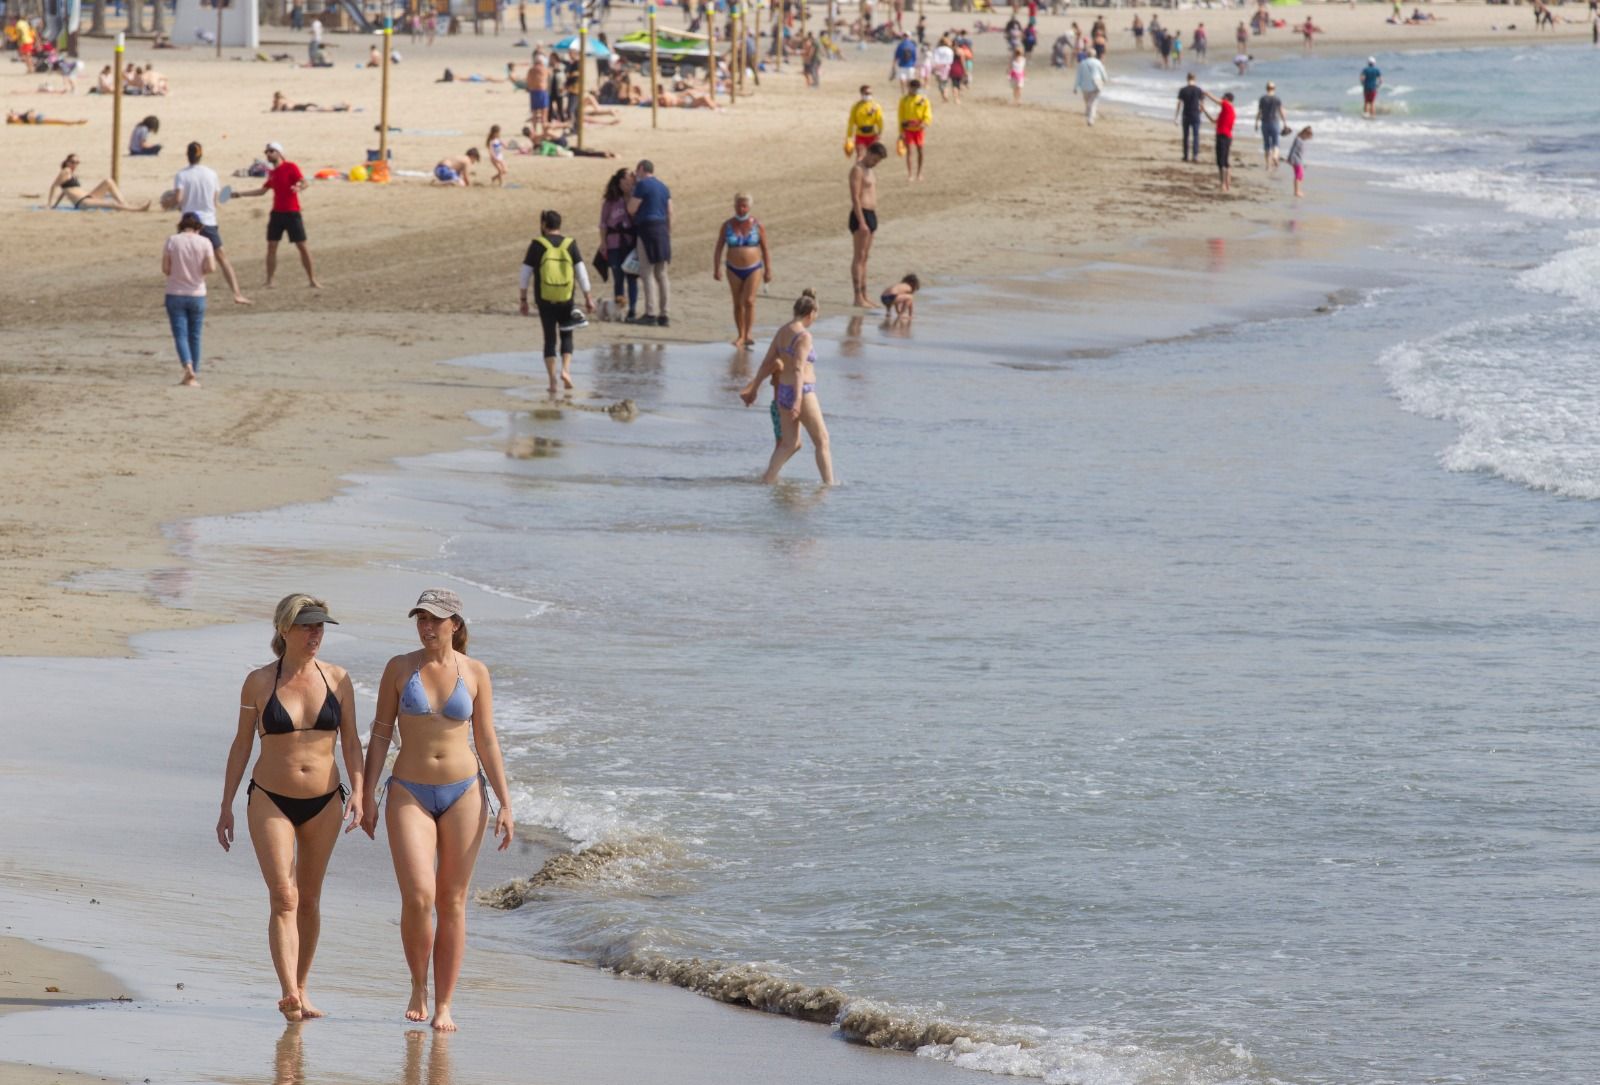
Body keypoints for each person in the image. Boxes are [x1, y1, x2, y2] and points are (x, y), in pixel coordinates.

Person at [359, 589, 515, 1033]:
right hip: (409, 789)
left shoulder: (476, 672)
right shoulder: (399, 667)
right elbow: (382, 735)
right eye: (420, 619)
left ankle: (444, 1002)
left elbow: (486, 740)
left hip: (465, 791)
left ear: (455, 625)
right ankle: (417, 986)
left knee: (452, 901)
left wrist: (505, 802)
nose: (426, 627)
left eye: (435, 620)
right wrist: (367, 793)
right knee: (419, 896)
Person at [218, 595, 364, 1023]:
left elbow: (352, 741)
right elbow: (242, 742)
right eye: (307, 627)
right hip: (270, 797)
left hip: (324, 801)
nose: (315, 635)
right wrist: (226, 804)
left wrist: (359, 791)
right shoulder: (259, 682)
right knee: (284, 895)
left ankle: (302, 986)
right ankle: (288, 993)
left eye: (320, 627)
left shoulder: (338, 678)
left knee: (310, 898)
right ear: (284, 629)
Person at [751, 290, 834, 485]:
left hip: (783, 391)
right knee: (822, 440)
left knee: (789, 444)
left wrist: (754, 388)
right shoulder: (804, 336)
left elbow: (766, 363)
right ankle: (829, 486)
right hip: (802, 392)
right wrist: (797, 400)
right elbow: (798, 368)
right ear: (810, 313)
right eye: (815, 314)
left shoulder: (783, 331)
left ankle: (768, 479)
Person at [520, 209, 595, 395]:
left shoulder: (537, 244)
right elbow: (581, 273)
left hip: (544, 299)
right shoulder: (570, 244)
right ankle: (566, 371)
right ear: (559, 225)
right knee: (567, 335)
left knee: (549, 339)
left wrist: (523, 299)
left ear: (544, 225)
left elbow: (525, 274)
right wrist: (588, 297)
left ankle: (553, 382)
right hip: (566, 297)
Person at [234, 142, 321, 289]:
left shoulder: (290, 167)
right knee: (271, 247)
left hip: (292, 213)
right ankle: (269, 281)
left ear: (279, 152)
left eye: (271, 151)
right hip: (276, 214)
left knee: (302, 246)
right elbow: (262, 191)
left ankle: (312, 280)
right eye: (266, 152)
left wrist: (298, 187)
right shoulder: (272, 173)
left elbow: (304, 182)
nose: (268, 154)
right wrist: (240, 194)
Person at [174, 141, 251, 305]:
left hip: (188, 221)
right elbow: (215, 201)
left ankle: (181, 292)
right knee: (222, 259)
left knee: (182, 258)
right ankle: (237, 293)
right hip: (208, 221)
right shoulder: (211, 174)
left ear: (187, 155)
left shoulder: (182, 175)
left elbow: (178, 200)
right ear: (201, 155)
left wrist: (170, 203)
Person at [161, 212, 216, 386]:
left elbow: (166, 269)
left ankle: (188, 369)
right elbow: (211, 268)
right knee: (195, 335)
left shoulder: (172, 240)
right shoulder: (205, 242)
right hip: (197, 293)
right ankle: (194, 374)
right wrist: (198, 272)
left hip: (175, 292)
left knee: (181, 335)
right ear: (198, 227)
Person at [713, 192, 772, 349]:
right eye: (738, 205)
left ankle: (749, 334)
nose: (741, 208)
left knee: (749, 301)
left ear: (749, 207)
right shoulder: (727, 226)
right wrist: (716, 268)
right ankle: (741, 335)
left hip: (754, 268)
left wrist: (768, 270)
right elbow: (719, 247)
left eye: (744, 206)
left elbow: (765, 249)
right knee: (737, 302)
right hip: (733, 269)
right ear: (734, 206)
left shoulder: (757, 226)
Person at [625, 160, 673, 327]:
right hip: (662, 229)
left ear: (641, 169)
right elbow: (670, 212)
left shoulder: (642, 185)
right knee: (662, 273)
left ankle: (650, 312)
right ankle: (664, 313)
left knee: (647, 272)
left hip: (647, 228)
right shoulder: (663, 186)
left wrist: (632, 191)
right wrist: (668, 231)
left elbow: (631, 208)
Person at [848, 142, 885, 308]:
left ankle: (864, 295)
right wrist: (862, 222)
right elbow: (855, 197)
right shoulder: (857, 170)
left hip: (871, 214)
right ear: (869, 153)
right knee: (859, 256)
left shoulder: (870, 170)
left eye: (878, 161)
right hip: (860, 214)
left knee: (865, 258)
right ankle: (857, 297)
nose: (876, 163)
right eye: (875, 159)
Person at [599, 169, 638, 322]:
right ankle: (617, 311)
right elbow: (603, 223)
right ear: (619, 182)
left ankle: (632, 310)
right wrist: (603, 242)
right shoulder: (610, 201)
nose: (629, 184)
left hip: (630, 243)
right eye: (626, 181)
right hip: (614, 243)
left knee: (632, 277)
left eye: (631, 182)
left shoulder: (635, 197)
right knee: (618, 278)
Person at [48, 154, 150, 211]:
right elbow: (53, 186)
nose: (75, 164)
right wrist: (50, 204)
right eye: (73, 162)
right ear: (67, 162)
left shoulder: (71, 175)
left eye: (77, 162)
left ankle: (124, 204)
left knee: (108, 181)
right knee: (111, 204)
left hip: (88, 197)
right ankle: (136, 209)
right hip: (82, 202)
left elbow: (64, 191)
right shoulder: (65, 171)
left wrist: (56, 205)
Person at [897, 78, 931, 181]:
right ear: (909, 88)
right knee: (909, 152)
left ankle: (919, 173)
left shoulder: (923, 99)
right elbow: (900, 116)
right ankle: (910, 174)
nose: (915, 90)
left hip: (919, 130)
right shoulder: (904, 100)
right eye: (913, 88)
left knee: (920, 150)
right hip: (908, 129)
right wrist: (901, 132)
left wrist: (925, 123)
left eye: (917, 88)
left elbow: (928, 113)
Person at [1203, 90, 1236, 193]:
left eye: (1224, 97)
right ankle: (1227, 183)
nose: (1222, 99)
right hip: (1227, 137)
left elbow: (1218, 101)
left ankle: (1223, 185)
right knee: (1225, 161)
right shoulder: (1226, 111)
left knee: (1221, 162)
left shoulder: (1227, 106)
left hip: (1223, 136)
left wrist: (1208, 94)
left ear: (1227, 99)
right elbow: (1213, 121)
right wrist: (1204, 110)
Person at [845, 84, 885, 161]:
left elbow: (880, 121)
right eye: (866, 93)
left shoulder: (876, 106)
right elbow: (851, 122)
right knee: (860, 155)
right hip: (860, 135)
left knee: (871, 157)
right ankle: (858, 171)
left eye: (870, 93)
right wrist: (849, 137)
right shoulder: (856, 106)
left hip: (872, 135)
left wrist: (880, 133)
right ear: (861, 94)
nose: (869, 95)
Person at [1255, 81, 1286, 172]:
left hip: (1264, 123)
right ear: (1274, 88)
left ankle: (1268, 166)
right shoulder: (1277, 99)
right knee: (1276, 143)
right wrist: (1285, 123)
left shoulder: (1262, 99)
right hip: (1275, 123)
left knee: (1266, 144)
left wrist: (1256, 123)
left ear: (1266, 88)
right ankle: (1275, 156)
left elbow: (1259, 112)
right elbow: (1281, 112)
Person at [1175, 73, 1204, 163]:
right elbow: (1202, 105)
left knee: (1186, 136)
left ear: (1187, 78)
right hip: (1195, 114)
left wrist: (1176, 116)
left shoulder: (1183, 90)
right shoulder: (1199, 90)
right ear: (1195, 79)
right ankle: (1195, 156)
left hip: (1186, 114)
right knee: (1196, 136)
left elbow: (1179, 103)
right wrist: (1201, 112)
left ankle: (1185, 156)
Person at [1074, 48, 1107, 127]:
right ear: (1094, 55)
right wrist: (1105, 80)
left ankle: (1090, 115)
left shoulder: (1082, 63)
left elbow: (1078, 76)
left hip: (1085, 86)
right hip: (1096, 84)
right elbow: (1103, 73)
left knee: (1088, 102)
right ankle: (1091, 119)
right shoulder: (1098, 62)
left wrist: (1075, 87)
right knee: (1093, 102)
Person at [1287, 125, 1312, 198]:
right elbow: (1293, 150)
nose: (1307, 138)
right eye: (1308, 136)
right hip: (1295, 159)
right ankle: (1296, 191)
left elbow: (1300, 153)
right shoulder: (1298, 140)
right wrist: (1290, 159)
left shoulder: (1302, 140)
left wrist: (1302, 163)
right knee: (1298, 175)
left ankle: (1298, 190)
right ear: (1304, 133)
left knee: (1300, 175)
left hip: (1299, 160)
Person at [527, 52, 550, 128]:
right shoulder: (544, 69)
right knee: (544, 114)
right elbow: (549, 78)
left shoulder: (531, 70)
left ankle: (534, 129)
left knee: (534, 113)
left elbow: (528, 81)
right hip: (542, 91)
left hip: (533, 91)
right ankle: (544, 130)